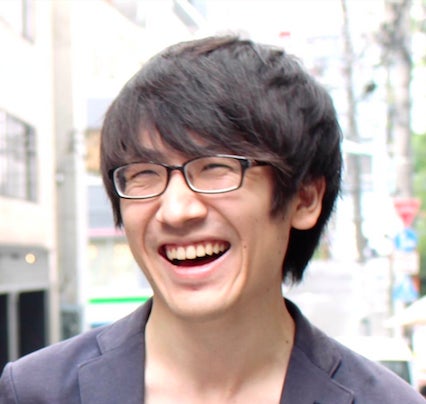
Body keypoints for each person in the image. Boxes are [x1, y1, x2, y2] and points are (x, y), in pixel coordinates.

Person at [0, 36, 424, 404]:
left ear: (305, 198)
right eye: (144, 174)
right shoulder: (36, 392)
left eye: (216, 168)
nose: (176, 210)